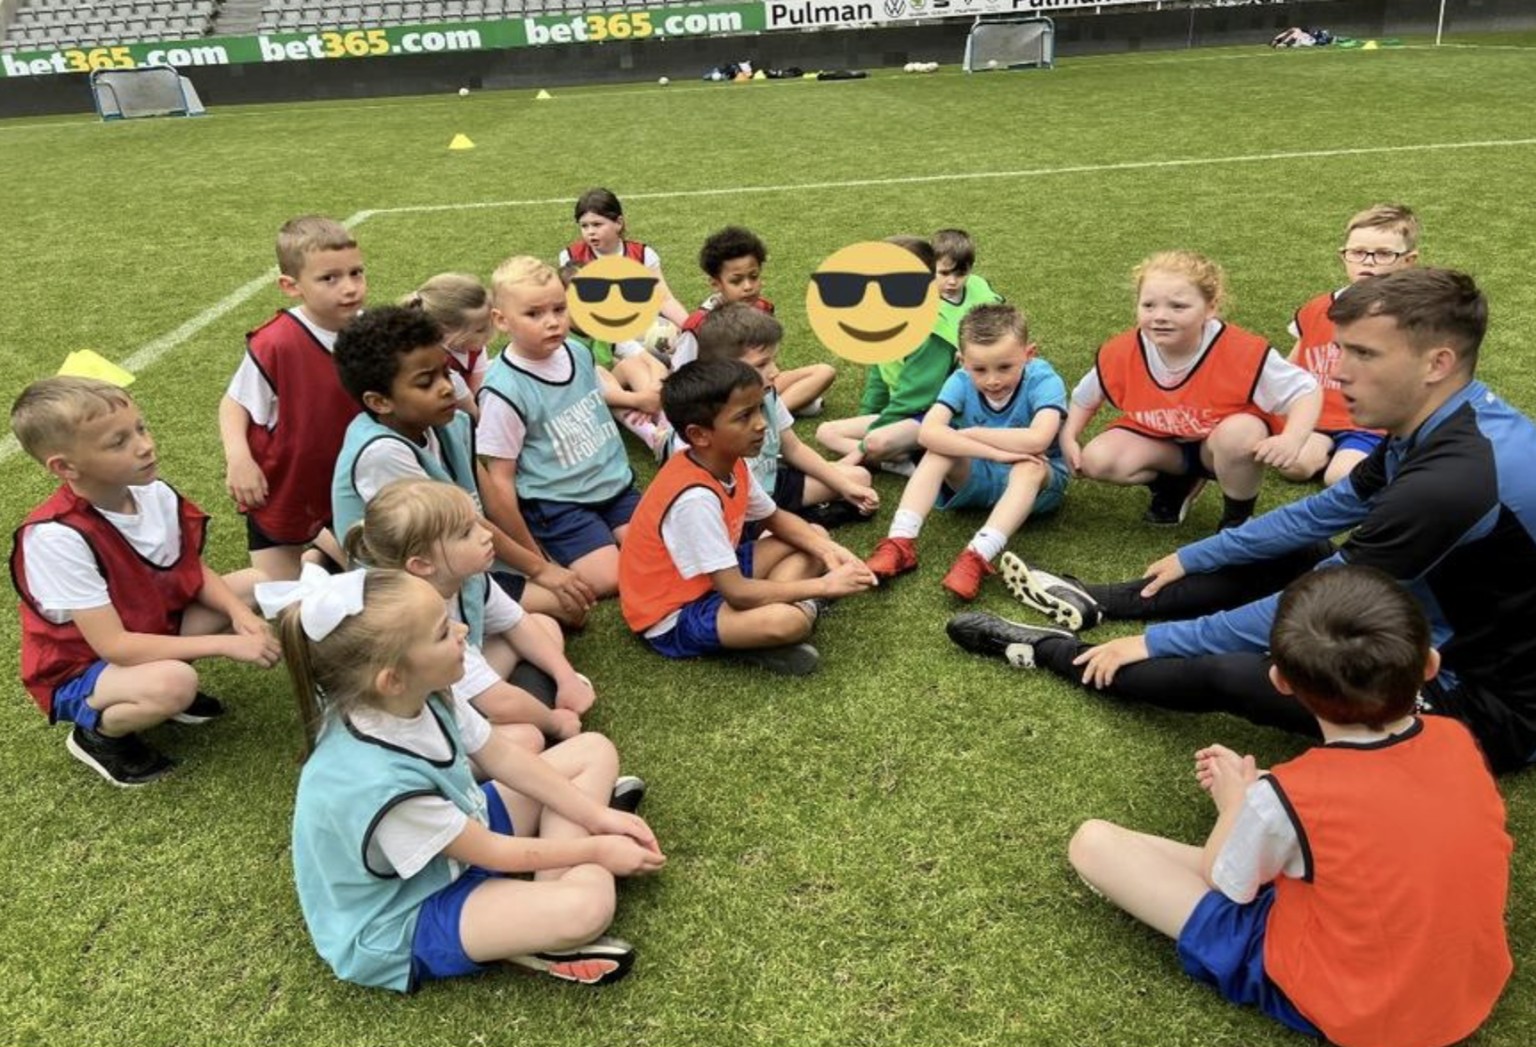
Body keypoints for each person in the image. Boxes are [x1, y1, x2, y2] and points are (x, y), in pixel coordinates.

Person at [949, 268, 1536, 774]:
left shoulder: (1453, 481)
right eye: (1343, 351)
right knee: (1291, 555)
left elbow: (1325, 601)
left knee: (1238, 671)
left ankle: (1050, 650)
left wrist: (1156, 644)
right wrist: (1202, 552)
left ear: (1438, 363)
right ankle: (1100, 600)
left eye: (1364, 355)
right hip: (1430, 621)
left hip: (1484, 703)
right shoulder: (1443, 422)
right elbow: (1326, 510)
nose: (1340, 375)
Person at [1067, 566, 1511, 1047]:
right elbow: (1385, 813)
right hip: (1466, 990)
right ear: (1429, 663)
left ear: (1278, 680)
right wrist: (1264, 796)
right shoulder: (1457, 738)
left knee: (1092, 842)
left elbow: (1226, 881)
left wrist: (1235, 803)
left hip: (1361, 1010)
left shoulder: (1294, 796)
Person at [266, 566, 663, 992]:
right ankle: (552, 914)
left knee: (593, 750)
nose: (462, 630)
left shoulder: (423, 690)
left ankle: (544, 901)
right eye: (441, 632)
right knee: (586, 908)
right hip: (408, 912)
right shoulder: (377, 784)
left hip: (457, 837)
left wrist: (595, 819)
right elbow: (494, 852)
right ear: (392, 678)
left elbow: (504, 756)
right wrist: (598, 847)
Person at [10, 377, 281, 786]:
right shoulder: (57, 536)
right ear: (65, 467)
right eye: (118, 442)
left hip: (145, 627)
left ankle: (160, 689)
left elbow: (190, 569)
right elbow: (114, 646)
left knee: (253, 584)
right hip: (80, 666)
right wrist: (229, 643)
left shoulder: (152, 492)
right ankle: (98, 734)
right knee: (175, 683)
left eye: (141, 428)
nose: (144, 445)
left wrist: (239, 614)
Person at [330, 304, 592, 626]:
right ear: (380, 401)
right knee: (563, 612)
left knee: (569, 606)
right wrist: (540, 571)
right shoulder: (382, 452)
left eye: (446, 372)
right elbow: (460, 521)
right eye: (426, 382)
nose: (446, 387)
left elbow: (492, 498)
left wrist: (540, 561)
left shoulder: (450, 421)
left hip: (459, 552)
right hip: (414, 580)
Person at [619, 360, 878, 676]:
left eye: (758, 410)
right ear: (699, 435)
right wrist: (823, 586)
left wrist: (831, 553)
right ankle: (786, 620)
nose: (761, 424)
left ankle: (767, 622)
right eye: (744, 417)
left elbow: (776, 518)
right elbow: (738, 593)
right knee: (788, 621)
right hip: (673, 612)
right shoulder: (694, 499)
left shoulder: (730, 462)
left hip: (710, 581)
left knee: (814, 535)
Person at [1061, 250, 1320, 530]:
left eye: (1178, 306)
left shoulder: (1242, 350)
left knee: (1241, 433)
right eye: (1148, 305)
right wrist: (1069, 436)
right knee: (1097, 460)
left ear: (1210, 307)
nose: (1160, 316)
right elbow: (1084, 397)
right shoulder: (1122, 350)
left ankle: (1237, 519)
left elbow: (1306, 390)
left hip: (1220, 447)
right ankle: (1175, 483)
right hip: (1164, 445)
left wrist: (1293, 438)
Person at [344, 478, 594, 749]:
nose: (485, 534)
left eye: (476, 523)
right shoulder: (417, 617)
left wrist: (566, 678)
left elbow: (516, 622)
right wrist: (556, 723)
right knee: (526, 738)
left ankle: (529, 709)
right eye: (465, 533)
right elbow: (500, 701)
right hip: (411, 739)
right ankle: (533, 718)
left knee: (543, 624)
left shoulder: (468, 577)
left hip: (450, 686)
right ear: (422, 564)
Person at [864, 303, 1069, 600]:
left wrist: (970, 434)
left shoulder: (1044, 379)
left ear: (1029, 354)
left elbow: (1038, 440)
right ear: (962, 362)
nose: (992, 380)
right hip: (980, 476)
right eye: (979, 369)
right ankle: (900, 541)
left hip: (1037, 488)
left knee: (1031, 464)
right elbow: (929, 432)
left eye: (1005, 367)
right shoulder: (959, 380)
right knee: (938, 452)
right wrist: (997, 452)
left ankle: (977, 556)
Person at [477, 256, 642, 599]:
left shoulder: (578, 352)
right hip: (558, 502)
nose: (552, 322)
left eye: (559, 309)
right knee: (610, 580)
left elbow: (596, 399)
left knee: (657, 550)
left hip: (614, 486)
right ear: (501, 320)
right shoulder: (503, 390)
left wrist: (639, 399)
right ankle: (557, 548)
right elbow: (500, 481)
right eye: (534, 314)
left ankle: (604, 537)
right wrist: (535, 560)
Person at [219, 214, 365, 580]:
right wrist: (239, 459)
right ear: (290, 285)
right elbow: (234, 402)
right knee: (280, 597)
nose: (349, 288)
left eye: (356, 273)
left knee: (376, 584)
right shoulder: (277, 342)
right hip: (286, 483)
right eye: (329, 278)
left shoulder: (370, 329)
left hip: (345, 478)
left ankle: (319, 554)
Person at [814, 234, 1001, 475]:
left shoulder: (932, 331)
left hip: (935, 413)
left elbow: (915, 399)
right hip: (904, 413)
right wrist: (869, 416)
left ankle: (913, 459)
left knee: (876, 442)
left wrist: (858, 451)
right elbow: (879, 374)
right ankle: (896, 460)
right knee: (825, 432)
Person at [692, 302, 878, 530]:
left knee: (859, 479)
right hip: (744, 507)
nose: (775, 371)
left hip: (773, 483)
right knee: (807, 535)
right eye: (761, 364)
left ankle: (805, 515)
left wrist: (844, 487)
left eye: (772, 359)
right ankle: (804, 520)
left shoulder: (767, 394)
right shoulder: (715, 421)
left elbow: (794, 449)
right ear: (723, 370)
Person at [1277, 203, 1419, 486]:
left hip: (1372, 425)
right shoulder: (1317, 308)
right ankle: (1328, 451)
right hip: (1317, 416)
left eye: (1383, 254)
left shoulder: (1411, 317)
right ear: (1344, 256)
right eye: (1357, 252)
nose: (1367, 261)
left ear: (1408, 260)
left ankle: (1360, 455)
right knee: (1293, 466)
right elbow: (1293, 364)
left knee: (1340, 477)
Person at [670, 225, 836, 416]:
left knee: (825, 371)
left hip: (759, 386)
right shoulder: (698, 325)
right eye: (736, 280)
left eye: (754, 276)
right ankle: (771, 414)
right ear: (716, 283)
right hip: (720, 399)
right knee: (809, 403)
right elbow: (682, 382)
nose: (748, 286)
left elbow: (767, 362)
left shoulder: (762, 308)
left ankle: (769, 413)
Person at [558, 187, 688, 328]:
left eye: (597, 224)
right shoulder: (571, 257)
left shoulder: (642, 255)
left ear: (618, 223)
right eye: (584, 226)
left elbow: (664, 299)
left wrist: (690, 328)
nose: (590, 232)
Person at [403, 272, 497, 420]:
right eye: (480, 330)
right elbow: (473, 414)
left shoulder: (473, 348)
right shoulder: (442, 366)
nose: (489, 332)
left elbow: (480, 389)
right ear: (444, 330)